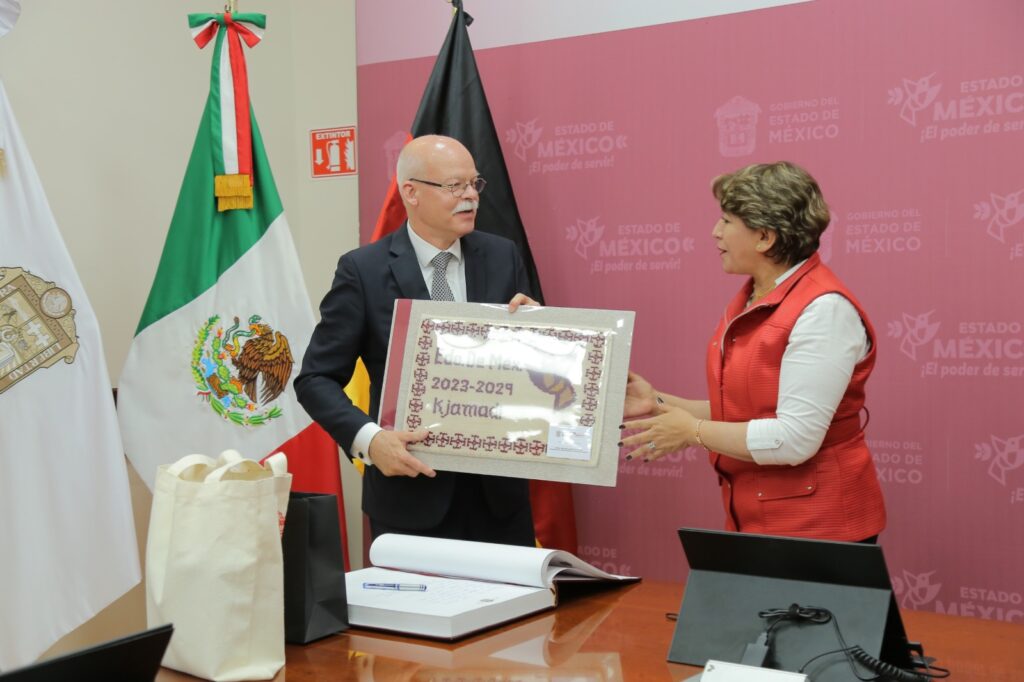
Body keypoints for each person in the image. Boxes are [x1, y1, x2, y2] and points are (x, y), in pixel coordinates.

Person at [621, 161, 885, 543]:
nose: (715, 233)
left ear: (764, 237)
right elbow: (747, 413)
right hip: (758, 523)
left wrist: (692, 432)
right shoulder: (752, 298)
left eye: (726, 221)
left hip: (821, 532)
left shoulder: (823, 310)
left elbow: (795, 437)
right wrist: (658, 402)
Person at [295, 135, 538, 546]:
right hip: (410, 498)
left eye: (474, 184)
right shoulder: (363, 271)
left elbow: (532, 374)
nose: (469, 197)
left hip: (499, 502)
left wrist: (537, 335)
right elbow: (315, 379)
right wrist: (370, 441)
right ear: (411, 192)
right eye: (453, 186)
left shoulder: (502, 257)